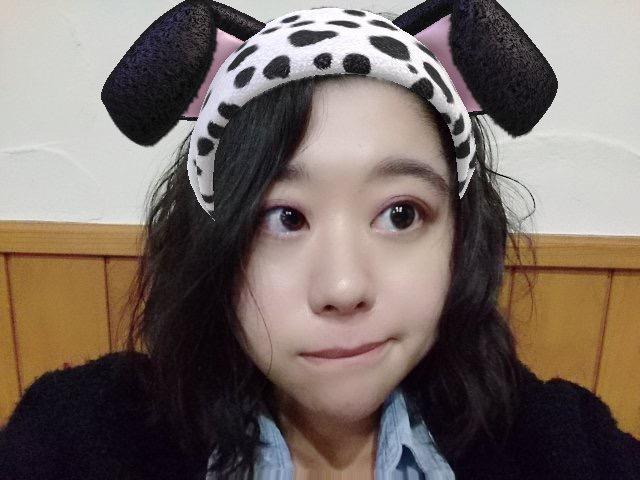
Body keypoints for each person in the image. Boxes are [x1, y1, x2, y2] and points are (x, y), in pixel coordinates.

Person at [2, 2, 640, 479]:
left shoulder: (564, 446)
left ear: (460, 237)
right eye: (282, 218)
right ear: (210, 246)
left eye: (400, 214)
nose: (343, 286)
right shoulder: (79, 438)